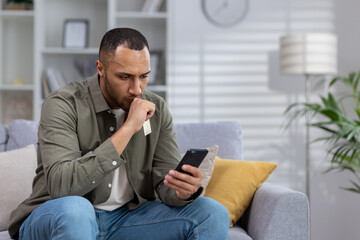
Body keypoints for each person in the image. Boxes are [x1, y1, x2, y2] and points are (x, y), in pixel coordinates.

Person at [8, 28, 230, 240]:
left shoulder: (157, 108)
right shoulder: (63, 104)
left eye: (144, 76)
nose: (137, 89)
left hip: (126, 220)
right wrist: (129, 128)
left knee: (212, 213)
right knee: (77, 210)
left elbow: (165, 183)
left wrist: (183, 191)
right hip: (60, 215)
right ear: (100, 68)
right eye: (125, 77)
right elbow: (62, 186)